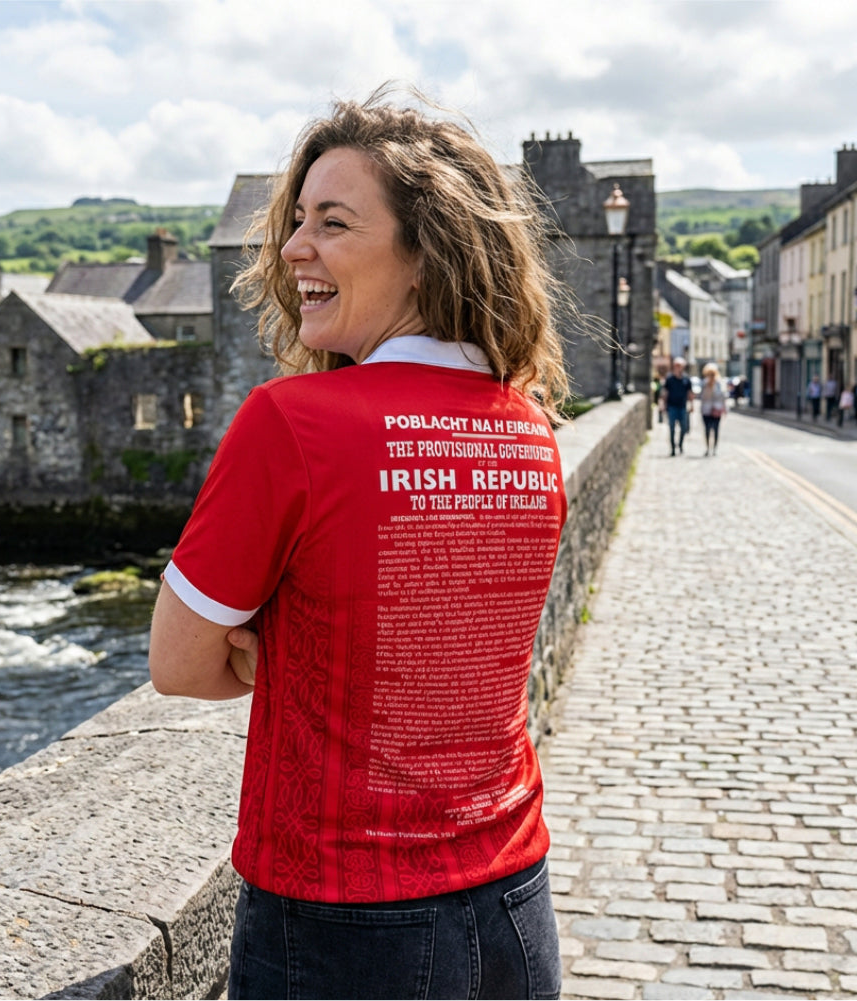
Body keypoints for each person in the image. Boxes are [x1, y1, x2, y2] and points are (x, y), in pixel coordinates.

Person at [148, 90, 569, 1000]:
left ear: (426, 256)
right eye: (296, 220)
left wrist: (280, 654)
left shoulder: (290, 424)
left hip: (341, 921)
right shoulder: (530, 431)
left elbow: (179, 664)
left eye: (332, 223)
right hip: (514, 904)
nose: (294, 247)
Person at [661, 357, 693, 455]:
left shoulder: (686, 379)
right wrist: (663, 405)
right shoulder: (669, 379)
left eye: (680, 366)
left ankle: (680, 444)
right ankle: (673, 449)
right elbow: (665, 392)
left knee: (683, 428)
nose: (678, 368)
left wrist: (692, 405)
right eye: (676, 366)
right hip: (672, 407)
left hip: (682, 407)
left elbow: (690, 393)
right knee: (671, 428)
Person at [698, 362, 726, 456]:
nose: (711, 376)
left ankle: (714, 448)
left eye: (712, 374)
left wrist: (724, 408)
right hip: (706, 410)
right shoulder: (704, 383)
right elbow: (702, 397)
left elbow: (723, 396)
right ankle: (707, 448)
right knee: (707, 429)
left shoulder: (719, 383)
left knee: (716, 429)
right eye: (709, 374)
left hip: (716, 410)